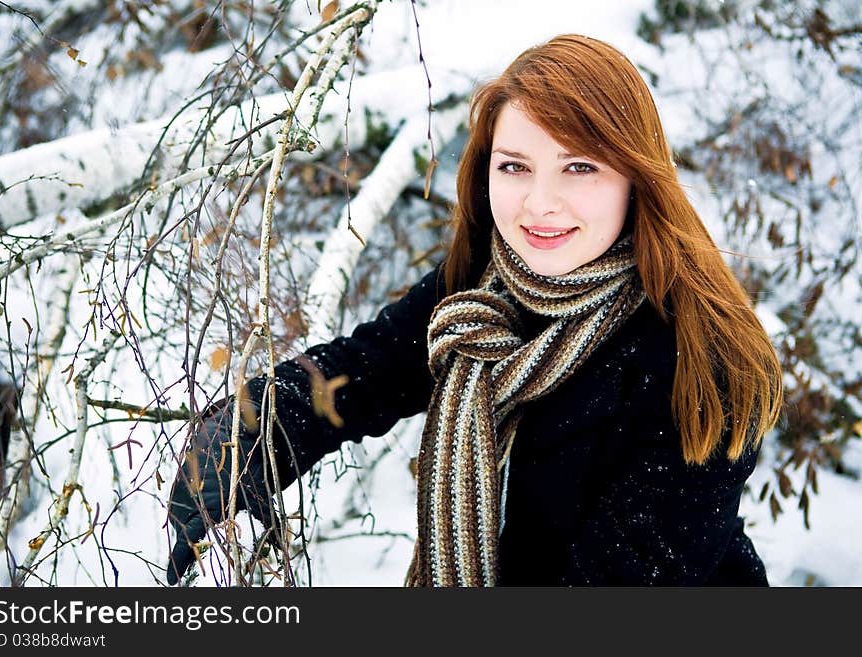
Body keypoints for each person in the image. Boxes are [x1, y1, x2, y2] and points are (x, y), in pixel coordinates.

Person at [165, 33, 783, 587]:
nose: (540, 203)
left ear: (636, 178)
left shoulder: (700, 362)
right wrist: (241, 437)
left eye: (580, 167)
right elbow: (366, 371)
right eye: (515, 166)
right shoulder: (487, 285)